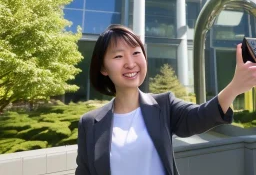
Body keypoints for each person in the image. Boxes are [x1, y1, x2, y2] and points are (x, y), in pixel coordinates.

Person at [75, 24, 256, 175]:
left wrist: (234, 87)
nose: (130, 63)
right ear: (103, 68)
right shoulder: (90, 123)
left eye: (136, 53)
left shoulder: (164, 105)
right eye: (118, 56)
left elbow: (201, 116)